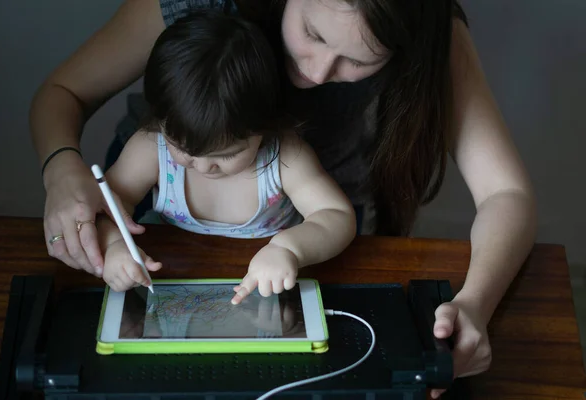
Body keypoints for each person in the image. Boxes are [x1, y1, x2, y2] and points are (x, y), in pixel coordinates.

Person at [29, 0, 537, 397]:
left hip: (303, 235)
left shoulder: (291, 153)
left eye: (359, 60)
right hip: (164, 244)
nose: (317, 73)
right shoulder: (154, 147)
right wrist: (65, 177)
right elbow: (62, 92)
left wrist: (474, 305)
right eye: (312, 34)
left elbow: (506, 193)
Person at [97, 10, 356, 304]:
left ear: (265, 128)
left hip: (267, 286)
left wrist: (290, 249)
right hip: (176, 282)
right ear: (160, 123)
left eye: (228, 153)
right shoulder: (148, 148)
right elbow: (103, 209)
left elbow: (337, 216)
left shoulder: (286, 155)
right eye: (184, 150)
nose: (205, 166)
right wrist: (114, 245)